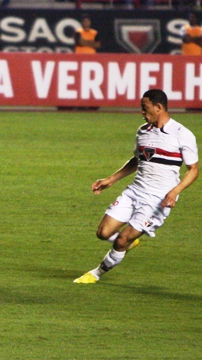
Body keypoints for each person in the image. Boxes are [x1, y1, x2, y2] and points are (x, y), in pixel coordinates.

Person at [74, 89, 198, 284]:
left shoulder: (182, 134)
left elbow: (193, 170)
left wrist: (175, 192)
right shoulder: (143, 132)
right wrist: (111, 179)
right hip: (135, 192)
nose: (141, 112)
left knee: (122, 239)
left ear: (158, 108)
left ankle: (95, 274)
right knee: (103, 233)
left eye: (144, 108)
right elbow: (138, 160)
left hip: (158, 200)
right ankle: (129, 243)